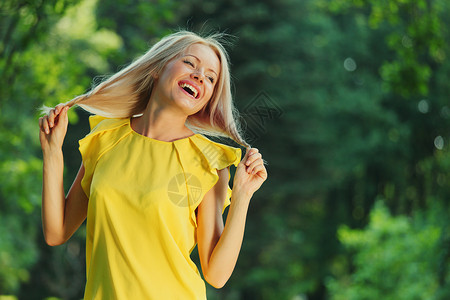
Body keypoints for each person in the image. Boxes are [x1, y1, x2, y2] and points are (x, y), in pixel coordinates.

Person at [38, 30, 267, 299]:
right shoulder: (106, 139)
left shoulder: (207, 162)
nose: (199, 76)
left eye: (210, 78)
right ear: (158, 68)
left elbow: (216, 275)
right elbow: (57, 232)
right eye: (190, 63)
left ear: (208, 98)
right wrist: (53, 153)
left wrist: (242, 196)